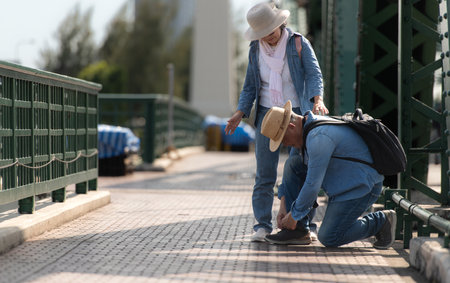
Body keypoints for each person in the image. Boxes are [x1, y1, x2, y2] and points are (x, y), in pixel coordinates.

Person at [224, 2, 328, 242]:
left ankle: (305, 224)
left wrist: (317, 100)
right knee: (264, 173)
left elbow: (314, 74)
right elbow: (250, 86)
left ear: (281, 24)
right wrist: (240, 112)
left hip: (297, 115)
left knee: (299, 169)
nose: (268, 38)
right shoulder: (255, 49)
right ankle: (262, 224)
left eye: (271, 31)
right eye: (263, 34)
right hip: (266, 117)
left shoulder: (298, 43)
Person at [259, 100, 397, 249]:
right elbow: (293, 170)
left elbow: (312, 185)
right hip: (345, 183)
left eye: (284, 139)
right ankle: (298, 231)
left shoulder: (318, 137)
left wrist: (293, 215)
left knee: (329, 237)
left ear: (291, 127)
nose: (285, 144)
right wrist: (284, 206)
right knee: (293, 164)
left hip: (362, 188)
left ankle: (381, 221)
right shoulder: (307, 130)